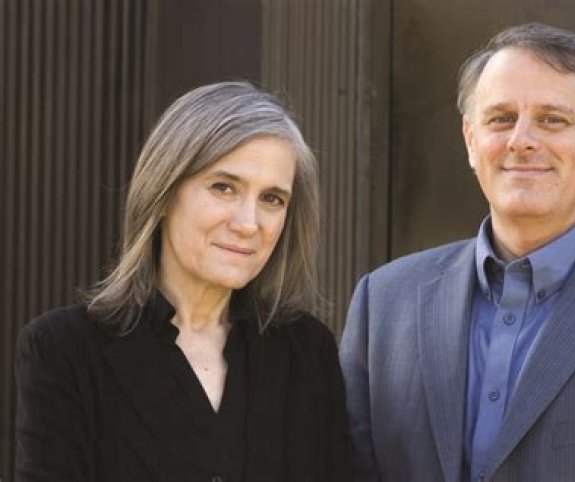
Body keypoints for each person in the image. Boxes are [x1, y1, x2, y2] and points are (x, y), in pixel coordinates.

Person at [340, 22, 575, 481]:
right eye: (501, 118)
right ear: (470, 141)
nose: (521, 139)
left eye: (552, 119)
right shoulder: (383, 303)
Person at [15, 81, 352, 481]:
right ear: (163, 194)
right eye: (224, 188)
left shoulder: (308, 352)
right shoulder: (66, 349)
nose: (248, 223)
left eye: (272, 199)